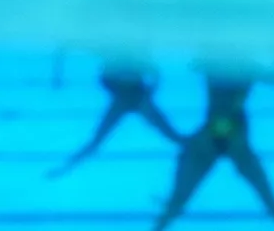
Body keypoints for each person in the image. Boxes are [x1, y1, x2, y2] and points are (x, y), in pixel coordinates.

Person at [152, 65, 274, 231]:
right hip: (223, 137)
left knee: (176, 202)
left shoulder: (238, 66)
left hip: (222, 137)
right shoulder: (239, 67)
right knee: (269, 199)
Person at [46, 59, 183, 179]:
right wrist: (147, 92)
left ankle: (66, 167)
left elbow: (152, 72)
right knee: (96, 141)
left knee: (171, 135)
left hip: (133, 96)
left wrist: (146, 92)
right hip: (132, 97)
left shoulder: (129, 61)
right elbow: (153, 73)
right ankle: (66, 167)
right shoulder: (123, 63)